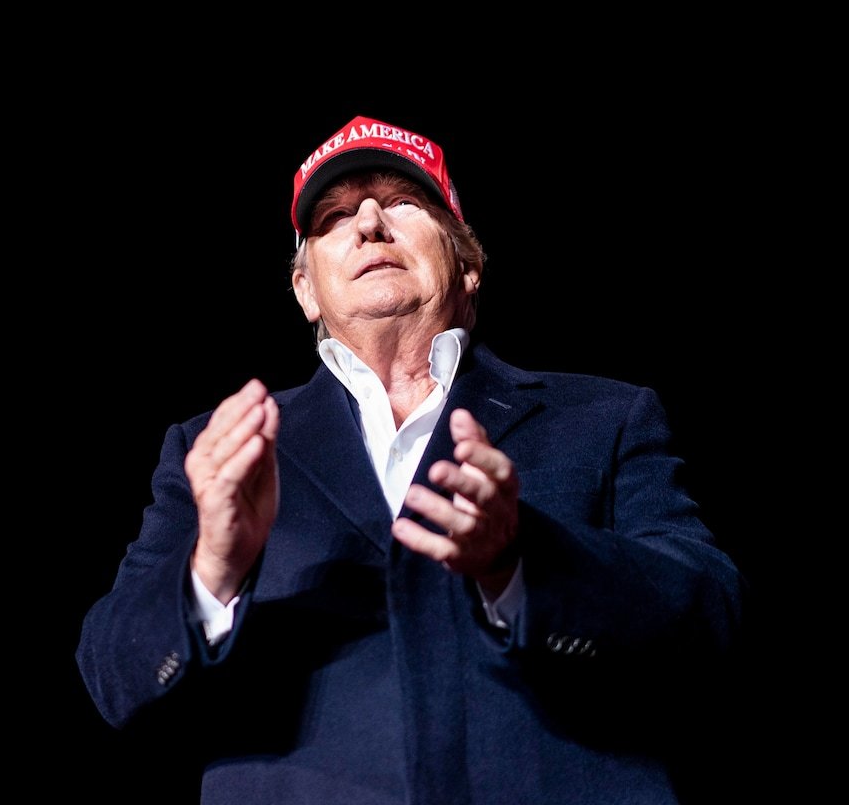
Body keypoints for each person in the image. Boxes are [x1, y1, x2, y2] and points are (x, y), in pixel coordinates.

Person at [76, 115, 747, 804]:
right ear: (306, 290)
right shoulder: (218, 450)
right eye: (334, 217)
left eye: (402, 201)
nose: (369, 223)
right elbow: (111, 675)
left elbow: (712, 618)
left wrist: (522, 561)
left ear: (468, 265)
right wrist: (212, 568)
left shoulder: (605, 417)